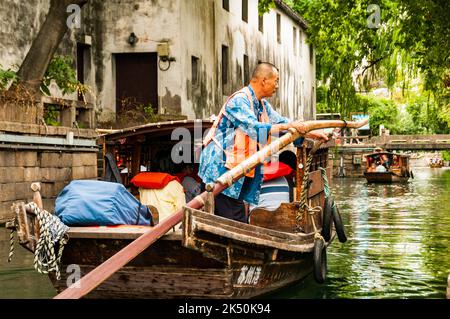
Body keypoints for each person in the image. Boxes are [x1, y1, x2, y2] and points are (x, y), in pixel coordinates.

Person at [198, 62, 328, 223]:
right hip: (220, 172)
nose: (277, 86)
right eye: (276, 80)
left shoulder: (262, 106)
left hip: (235, 173)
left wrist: (314, 133)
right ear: (264, 80)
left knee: (237, 218)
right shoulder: (239, 101)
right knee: (233, 220)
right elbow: (254, 127)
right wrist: (289, 126)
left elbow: (284, 123)